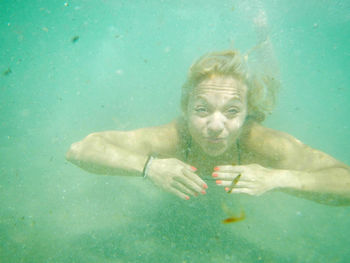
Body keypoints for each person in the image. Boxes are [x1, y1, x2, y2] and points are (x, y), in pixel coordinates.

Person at [65, 49, 350, 206]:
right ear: (185, 110)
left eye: (232, 111)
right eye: (202, 109)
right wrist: (149, 167)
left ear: (248, 113)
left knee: (270, 85)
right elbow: (79, 150)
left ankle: (265, 41)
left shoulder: (261, 143)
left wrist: (277, 178)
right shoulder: (174, 136)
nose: (215, 126)